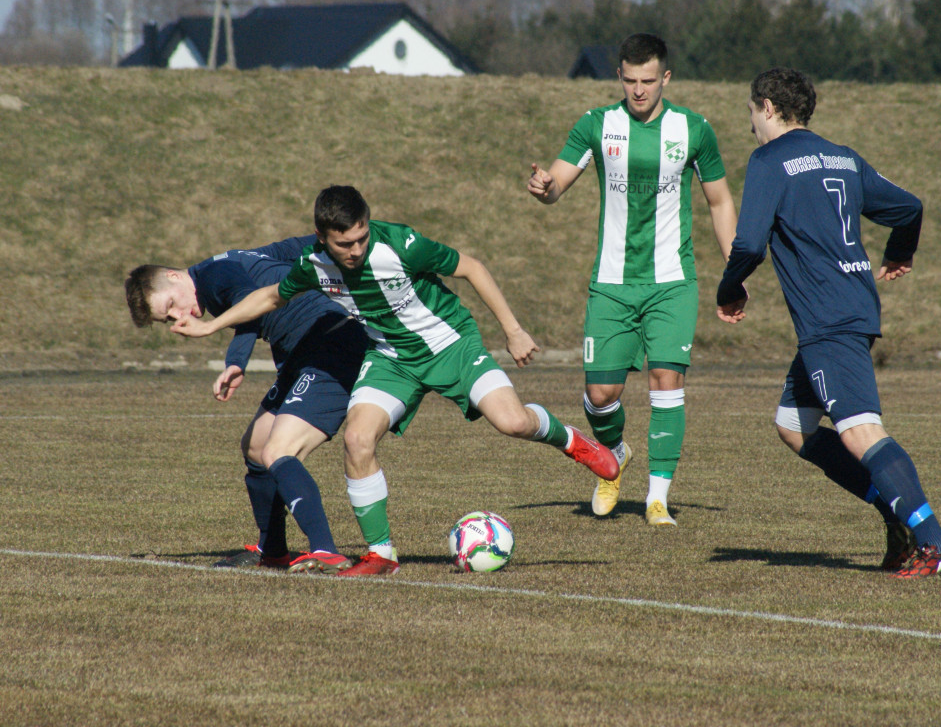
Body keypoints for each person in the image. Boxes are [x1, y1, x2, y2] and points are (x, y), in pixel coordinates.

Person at [170, 185, 619, 576]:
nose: (356, 250)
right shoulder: (313, 264)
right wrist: (210, 328)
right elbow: (269, 296)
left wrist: (513, 330)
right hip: (390, 360)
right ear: (323, 238)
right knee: (357, 439)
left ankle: (573, 441)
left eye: (361, 237)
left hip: (451, 345)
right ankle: (381, 554)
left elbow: (472, 267)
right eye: (344, 244)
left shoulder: (401, 244)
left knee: (513, 423)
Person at [716, 66, 941, 578]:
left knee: (860, 431)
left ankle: (935, 544)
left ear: (767, 107)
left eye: (751, 112)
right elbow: (909, 207)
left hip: (828, 319)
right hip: (850, 309)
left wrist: (730, 287)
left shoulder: (769, 160)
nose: (750, 125)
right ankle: (894, 514)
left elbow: (748, 243)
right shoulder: (843, 157)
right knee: (794, 426)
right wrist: (901, 250)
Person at [527, 32, 738, 526]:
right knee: (601, 395)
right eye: (630, 81)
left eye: (648, 80)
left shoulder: (693, 129)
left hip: (672, 281)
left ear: (666, 78)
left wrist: (736, 270)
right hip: (612, 282)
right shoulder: (597, 124)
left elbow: (720, 201)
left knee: (667, 381)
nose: (639, 90)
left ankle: (656, 498)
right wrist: (544, 186)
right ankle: (615, 455)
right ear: (618, 77)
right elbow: (557, 182)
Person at [125, 234, 370, 573]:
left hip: (331, 345)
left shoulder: (213, 276)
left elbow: (248, 307)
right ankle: (273, 551)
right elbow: (289, 251)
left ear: (174, 276)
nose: (178, 316)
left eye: (170, 305)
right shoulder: (230, 263)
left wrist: (235, 362)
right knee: (255, 447)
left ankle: (325, 550)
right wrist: (330, 238)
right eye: (168, 318)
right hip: (304, 353)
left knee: (278, 450)